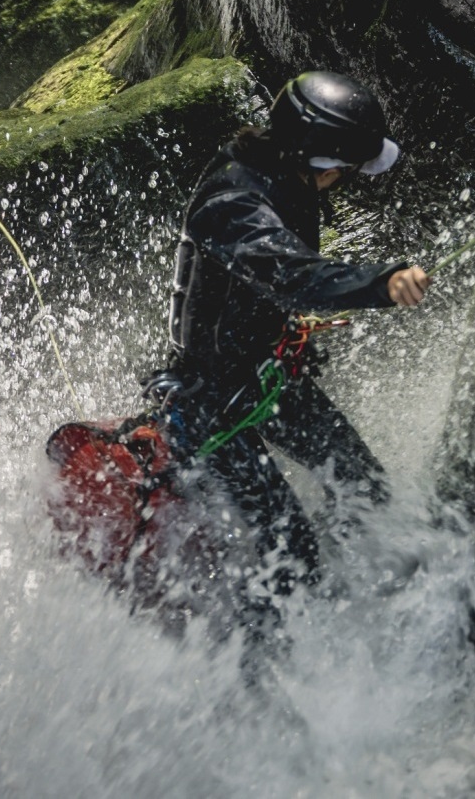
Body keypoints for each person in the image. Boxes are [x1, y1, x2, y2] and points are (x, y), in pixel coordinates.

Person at [145, 70, 429, 643]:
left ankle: (351, 603)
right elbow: (289, 274)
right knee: (286, 545)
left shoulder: (287, 171)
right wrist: (381, 283)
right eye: (345, 170)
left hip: (267, 375)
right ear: (318, 158)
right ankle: (263, 664)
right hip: (208, 405)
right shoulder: (231, 198)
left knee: (361, 483)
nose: (345, 181)